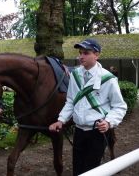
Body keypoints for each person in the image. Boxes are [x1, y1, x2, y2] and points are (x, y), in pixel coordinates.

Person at [49, 38, 127, 175]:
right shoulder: (75, 75)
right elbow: (71, 101)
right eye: (80, 53)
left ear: (96, 55)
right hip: (78, 131)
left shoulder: (108, 79)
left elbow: (119, 106)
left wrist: (108, 122)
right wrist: (61, 120)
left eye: (86, 53)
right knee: (77, 169)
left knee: (91, 170)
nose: (81, 56)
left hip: (97, 133)